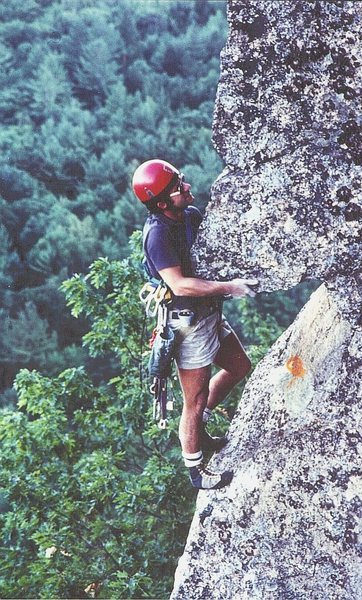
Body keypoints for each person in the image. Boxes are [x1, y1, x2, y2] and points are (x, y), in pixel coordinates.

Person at [132, 159, 257, 490]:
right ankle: (196, 470)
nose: (186, 187)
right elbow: (181, 285)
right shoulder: (157, 235)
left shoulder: (189, 215)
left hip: (208, 313)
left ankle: (199, 428)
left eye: (182, 181)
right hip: (187, 325)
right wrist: (230, 286)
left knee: (239, 366)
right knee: (194, 400)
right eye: (177, 188)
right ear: (161, 203)